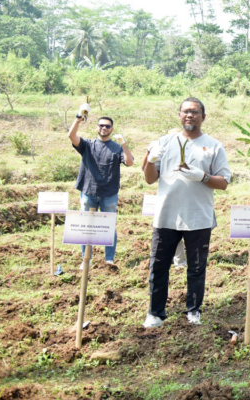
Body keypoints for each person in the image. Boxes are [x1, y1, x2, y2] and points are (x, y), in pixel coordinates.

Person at [142, 98, 231, 328]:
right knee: (159, 266)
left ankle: (193, 311)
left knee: (196, 267)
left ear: (203, 115)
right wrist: (151, 159)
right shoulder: (165, 141)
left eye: (195, 112)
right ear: (179, 115)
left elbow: (223, 182)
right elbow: (150, 178)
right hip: (166, 215)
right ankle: (155, 313)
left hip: (198, 217)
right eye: (185, 112)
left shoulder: (213, 145)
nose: (189, 115)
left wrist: (202, 176)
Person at [68, 109, 134, 268]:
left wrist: (124, 144)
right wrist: (78, 118)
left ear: (112, 129)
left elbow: (130, 162)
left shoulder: (117, 148)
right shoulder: (87, 145)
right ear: (96, 127)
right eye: (101, 125)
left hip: (109, 193)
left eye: (108, 126)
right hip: (88, 190)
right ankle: (86, 259)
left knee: (109, 226)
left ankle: (109, 259)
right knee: (86, 226)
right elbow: (71, 136)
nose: (104, 128)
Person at [141, 141, 187, 269]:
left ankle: (180, 261)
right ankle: (176, 261)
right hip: (166, 196)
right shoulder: (159, 150)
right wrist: (150, 156)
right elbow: (144, 168)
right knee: (170, 229)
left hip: (184, 197)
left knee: (179, 228)